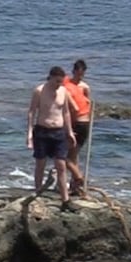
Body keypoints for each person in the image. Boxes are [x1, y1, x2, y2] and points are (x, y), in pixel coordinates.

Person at [28, 66, 78, 212]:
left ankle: (65, 200)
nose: (59, 85)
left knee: (61, 165)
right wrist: (30, 133)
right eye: (57, 81)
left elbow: (66, 112)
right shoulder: (39, 91)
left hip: (59, 132)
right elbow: (31, 112)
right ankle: (37, 194)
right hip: (42, 131)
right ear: (50, 78)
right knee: (40, 164)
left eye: (61, 82)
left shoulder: (63, 91)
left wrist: (70, 132)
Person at [63, 59, 93, 197]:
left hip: (80, 123)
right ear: (73, 71)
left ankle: (78, 179)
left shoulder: (84, 87)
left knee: (66, 157)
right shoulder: (67, 84)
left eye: (82, 74)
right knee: (73, 156)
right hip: (75, 122)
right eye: (77, 73)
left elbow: (86, 106)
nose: (79, 76)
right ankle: (74, 186)